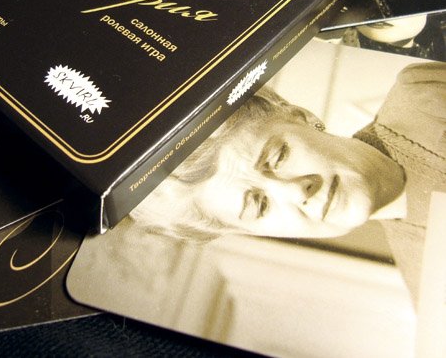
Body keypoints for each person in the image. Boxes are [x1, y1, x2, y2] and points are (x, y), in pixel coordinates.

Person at [130, 62, 446, 304]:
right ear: (256, 233)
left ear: (301, 116)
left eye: (279, 157)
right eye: (259, 205)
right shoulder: (429, 287)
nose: (294, 190)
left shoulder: (425, 96)